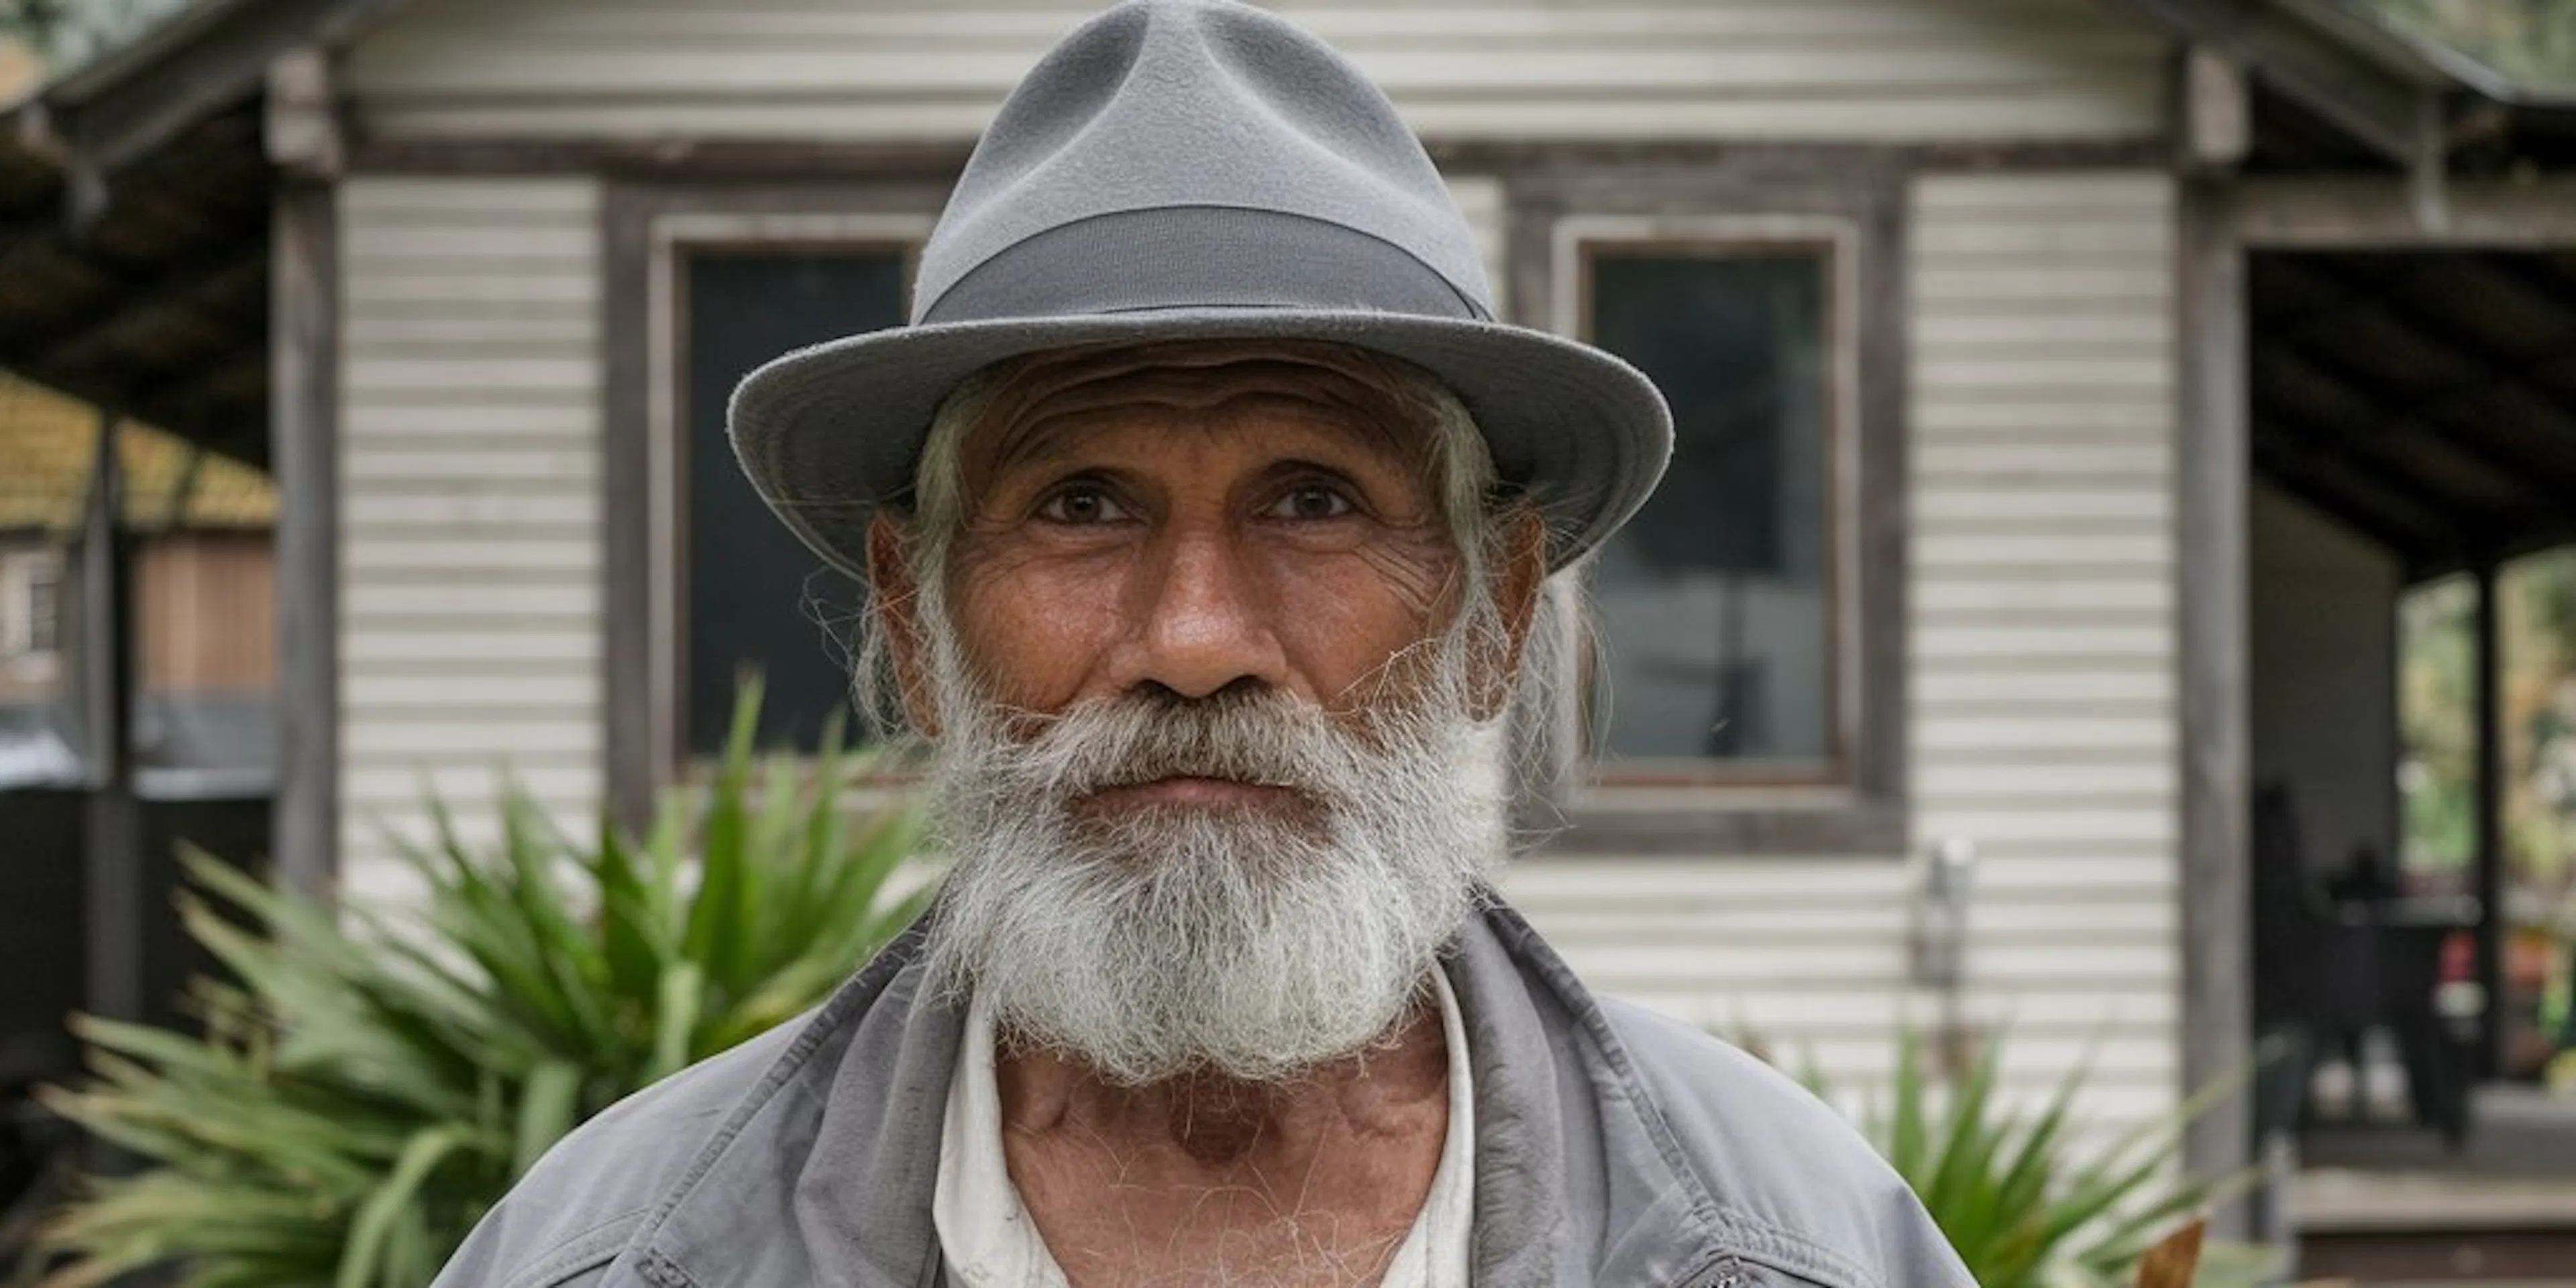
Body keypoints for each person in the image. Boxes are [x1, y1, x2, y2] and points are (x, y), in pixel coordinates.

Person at [431, 1, 1970, 1285]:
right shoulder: (612, 1258)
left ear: (1497, 612)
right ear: (913, 618)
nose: (1192, 641)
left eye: (1313, 500)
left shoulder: (1796, 1252)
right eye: (1080, 503)